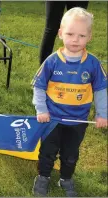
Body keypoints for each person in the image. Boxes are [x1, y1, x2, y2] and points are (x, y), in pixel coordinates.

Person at [31, 7, 107, 197]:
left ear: (89, 37)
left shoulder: (93, 64)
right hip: (52, 119)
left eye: (81, 35)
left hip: (78, 122)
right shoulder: (51, 61)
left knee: (70, 154)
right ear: (60, 34)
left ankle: (66, 177)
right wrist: (41, 109)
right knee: (47, 151)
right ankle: (43, 177)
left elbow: (100, 89)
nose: (75, 39)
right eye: (70, 34)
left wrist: (102, 114)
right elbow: (39, 86)